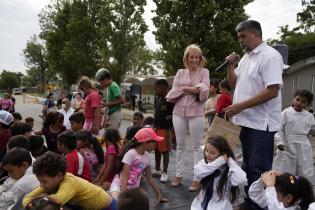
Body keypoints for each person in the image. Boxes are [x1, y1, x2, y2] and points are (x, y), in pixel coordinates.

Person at [224, 20, 283, 208]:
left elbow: (272, 90)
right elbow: (235, 85)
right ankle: (249, 201)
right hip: (246, 122)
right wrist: (230, 66)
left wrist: (240, 106)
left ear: (256, 34)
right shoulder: (246, 58)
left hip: (261, 125)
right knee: (248, 167)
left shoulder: (270, 56)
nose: (240, 41)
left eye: (243, 36)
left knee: (259, 169)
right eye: (238, 37)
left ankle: (259, 206)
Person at [166, 44, 210, 191]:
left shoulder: (204, 72)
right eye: (191, 56)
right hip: (178, 112)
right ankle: (178, 175)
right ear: (186, 57)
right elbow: (174, 91)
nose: (194, 59)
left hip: (196, 112)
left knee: (197, 146)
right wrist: (195, 90)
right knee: (179, 145)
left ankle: (197, 178)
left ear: (200, 58)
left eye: (197, 57)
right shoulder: (180, 72)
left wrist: (185, 88)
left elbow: (204, 91)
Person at [22, 152, 116, 210]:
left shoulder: (70, 183)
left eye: (44, 181)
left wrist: (34, 203)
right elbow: (27, 198)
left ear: (59, 176)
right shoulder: (51, 181)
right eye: (40, 181)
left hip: (109, 207)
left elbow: (54, 202)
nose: (41, 185)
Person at [109, 128, 168, 203]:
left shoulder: (147, 157)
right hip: (119, 186)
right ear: (145, 143)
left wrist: (159, 194)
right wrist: (123, 196)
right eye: (154, 143)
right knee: (117, 203)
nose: (155, 146)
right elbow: (125, 176)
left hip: (133, 189)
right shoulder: (130, 154)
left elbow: (149, 177)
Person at [191, 136, 247, 210]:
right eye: (206, 151)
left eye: (212, 153)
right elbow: (198, 171)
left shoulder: (228, 169)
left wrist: (229, 160)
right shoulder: (205, 164)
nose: (207, 155)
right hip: (201, 201)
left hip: (220, 204)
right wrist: (219, 161)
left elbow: (242, 179)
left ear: (222, 154)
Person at [273, 90, 315, 180]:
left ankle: (300, 187)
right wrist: (279, 142)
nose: (299, 103)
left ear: (308, 104)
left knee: (303, 168)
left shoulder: (309, 116)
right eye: (297, 99)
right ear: (293, 99)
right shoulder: (286, 113)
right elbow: (278, 129)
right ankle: (285, 187)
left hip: (303, 146)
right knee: (285, 168)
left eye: (303, 102)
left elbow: (312, 130)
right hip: (287, 145)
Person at [249, 171, 314, 210]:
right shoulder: (274, 203)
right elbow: (254, 193)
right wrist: (262, 180)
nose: (269, 194)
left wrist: (270, 186)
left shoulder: (275, 206)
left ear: (288, 198)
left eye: (274, 192)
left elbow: (275, 207)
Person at [152, 79, 174, 183]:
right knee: (156, 149)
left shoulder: (170, 100)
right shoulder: (158, 99)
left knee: (164, 151)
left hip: (165, 129)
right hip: (156, 128)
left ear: (162, 88)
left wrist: (167, 119)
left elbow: (174, 114)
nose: (155, 91)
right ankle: (157, 169)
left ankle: (165, 172)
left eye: (156, 89)